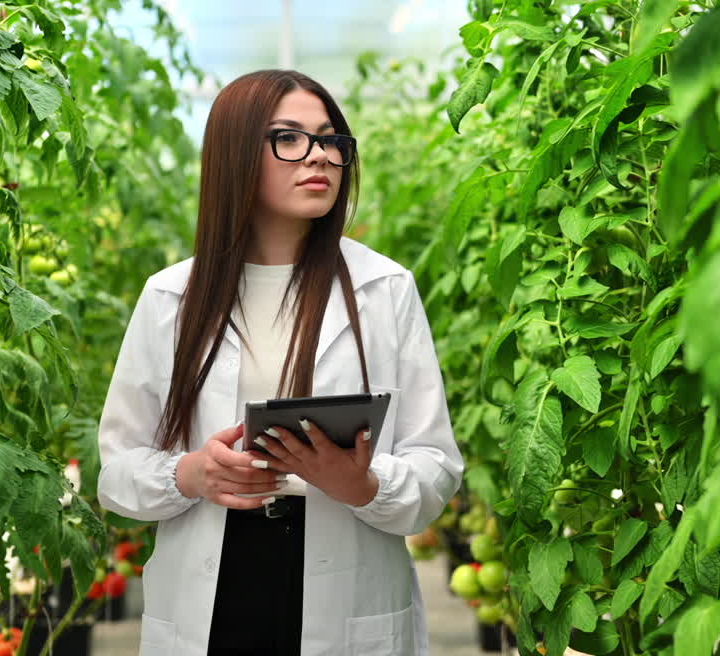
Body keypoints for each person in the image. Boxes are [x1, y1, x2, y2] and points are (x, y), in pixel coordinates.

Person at [97, 69, 464, 656]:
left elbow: (437, 464)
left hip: (345, 583)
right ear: (235, 153)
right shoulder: (171, 298)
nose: (319, 156)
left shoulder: (385, 288)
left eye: (331, 141)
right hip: (214, 587)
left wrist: (365, 485)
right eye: (290, 138)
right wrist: (192, 474)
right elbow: (116, 476)